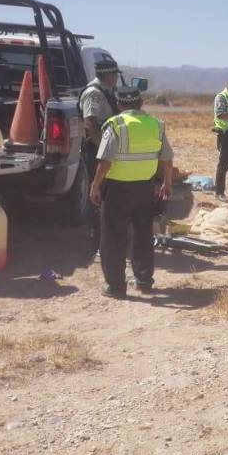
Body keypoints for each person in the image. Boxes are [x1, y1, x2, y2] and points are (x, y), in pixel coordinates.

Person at [89, 86, 174, 299]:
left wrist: (95, 185)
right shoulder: (156, 125)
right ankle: (144, 281)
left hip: (117, 190)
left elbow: (106, 160)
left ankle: (116, 286)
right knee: (143, 235)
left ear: (119, 104)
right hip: (145, 188)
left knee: (113, 237)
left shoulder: (116, 125)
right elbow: (166, 157)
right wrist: (167, 182)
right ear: (141, 103)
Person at [78, 59, 120, 252]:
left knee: (106, 193)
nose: (116, 79)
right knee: (97, 194)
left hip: (105, 149)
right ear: (108, 75)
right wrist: (104, 149)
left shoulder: (106, 91)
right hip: (96, 150)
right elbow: (90, 124)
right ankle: (97, 241)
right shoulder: (94, 93)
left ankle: (106, 237)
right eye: (115, 75)